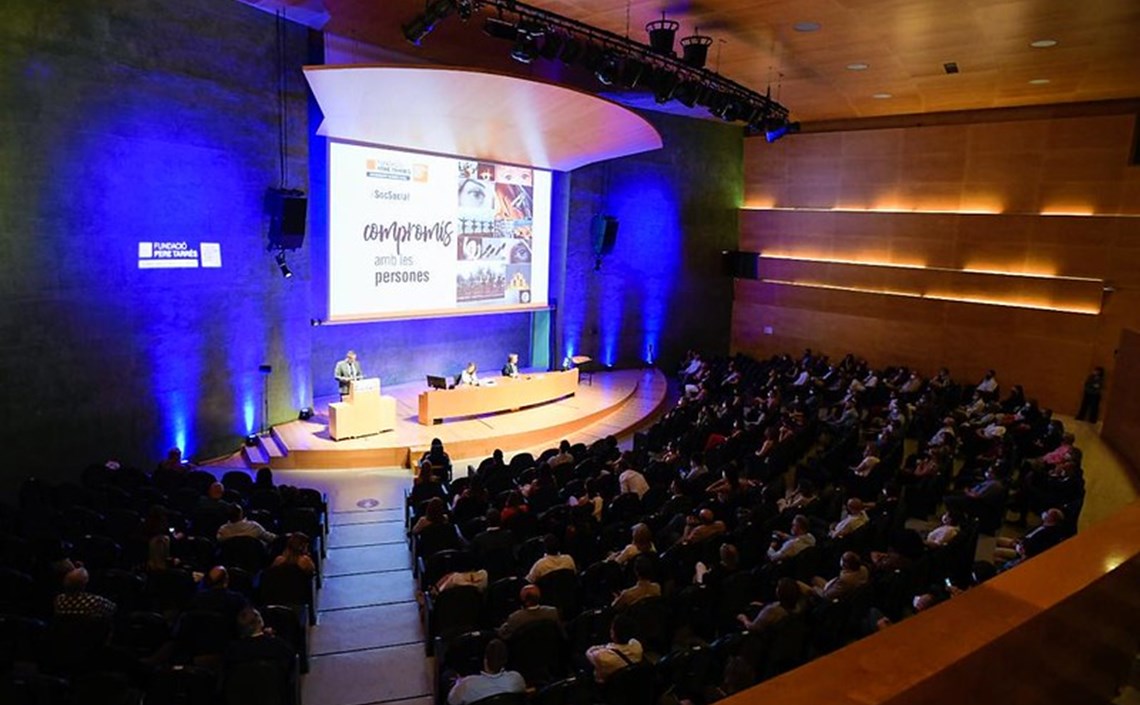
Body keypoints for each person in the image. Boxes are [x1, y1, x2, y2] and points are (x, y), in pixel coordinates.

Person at [447, 638, 526, 705]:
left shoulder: (467, 684)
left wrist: (458, 683)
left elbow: (451, 701)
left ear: (485, 660)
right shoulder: (517, 679)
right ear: (505, 660)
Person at [585, 615, 643, 683]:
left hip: (606, 686)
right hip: (630, 681)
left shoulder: (602, 656)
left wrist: (604, 646)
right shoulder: (637, 645)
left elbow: (588, 652)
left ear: (613, 634)